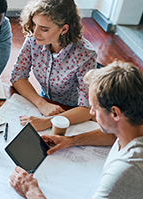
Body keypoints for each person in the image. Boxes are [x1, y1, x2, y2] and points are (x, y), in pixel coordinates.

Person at [9, 60, 143, 199]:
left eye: (95, 108)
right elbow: (113, 136)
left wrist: (30, 190)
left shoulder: (130, 169)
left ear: (115, 113)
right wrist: (72, 140)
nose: (91, 112)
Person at [11, 0, 97, 131]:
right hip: (46, 104)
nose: (35, 33)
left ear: (64, 29)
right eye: (34, 24)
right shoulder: (34, 39)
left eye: (44, 29)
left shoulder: (85, 55)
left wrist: (49, 122)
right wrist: (42, 104)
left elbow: (86, 108)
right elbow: (17, 76)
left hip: (72, 113)